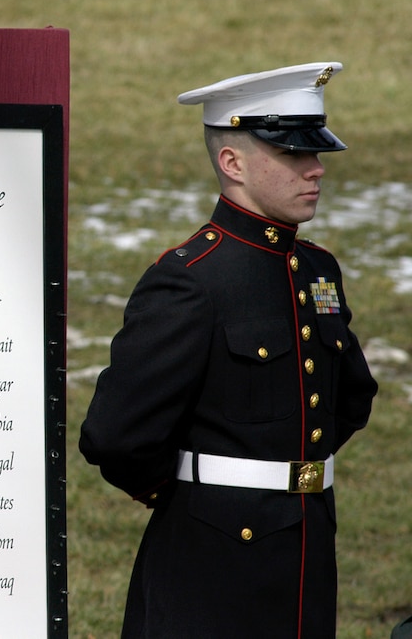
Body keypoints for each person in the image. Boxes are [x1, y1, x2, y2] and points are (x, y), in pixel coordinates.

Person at [79, 62, 377, 637]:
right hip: (211, 569)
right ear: (232, 163)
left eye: (315, 154)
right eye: (293, 155)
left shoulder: (317, 269)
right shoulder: (193, 280)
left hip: (307, 553)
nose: (315, 169)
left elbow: (351, 398)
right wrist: (201, 490)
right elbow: (117, 434)